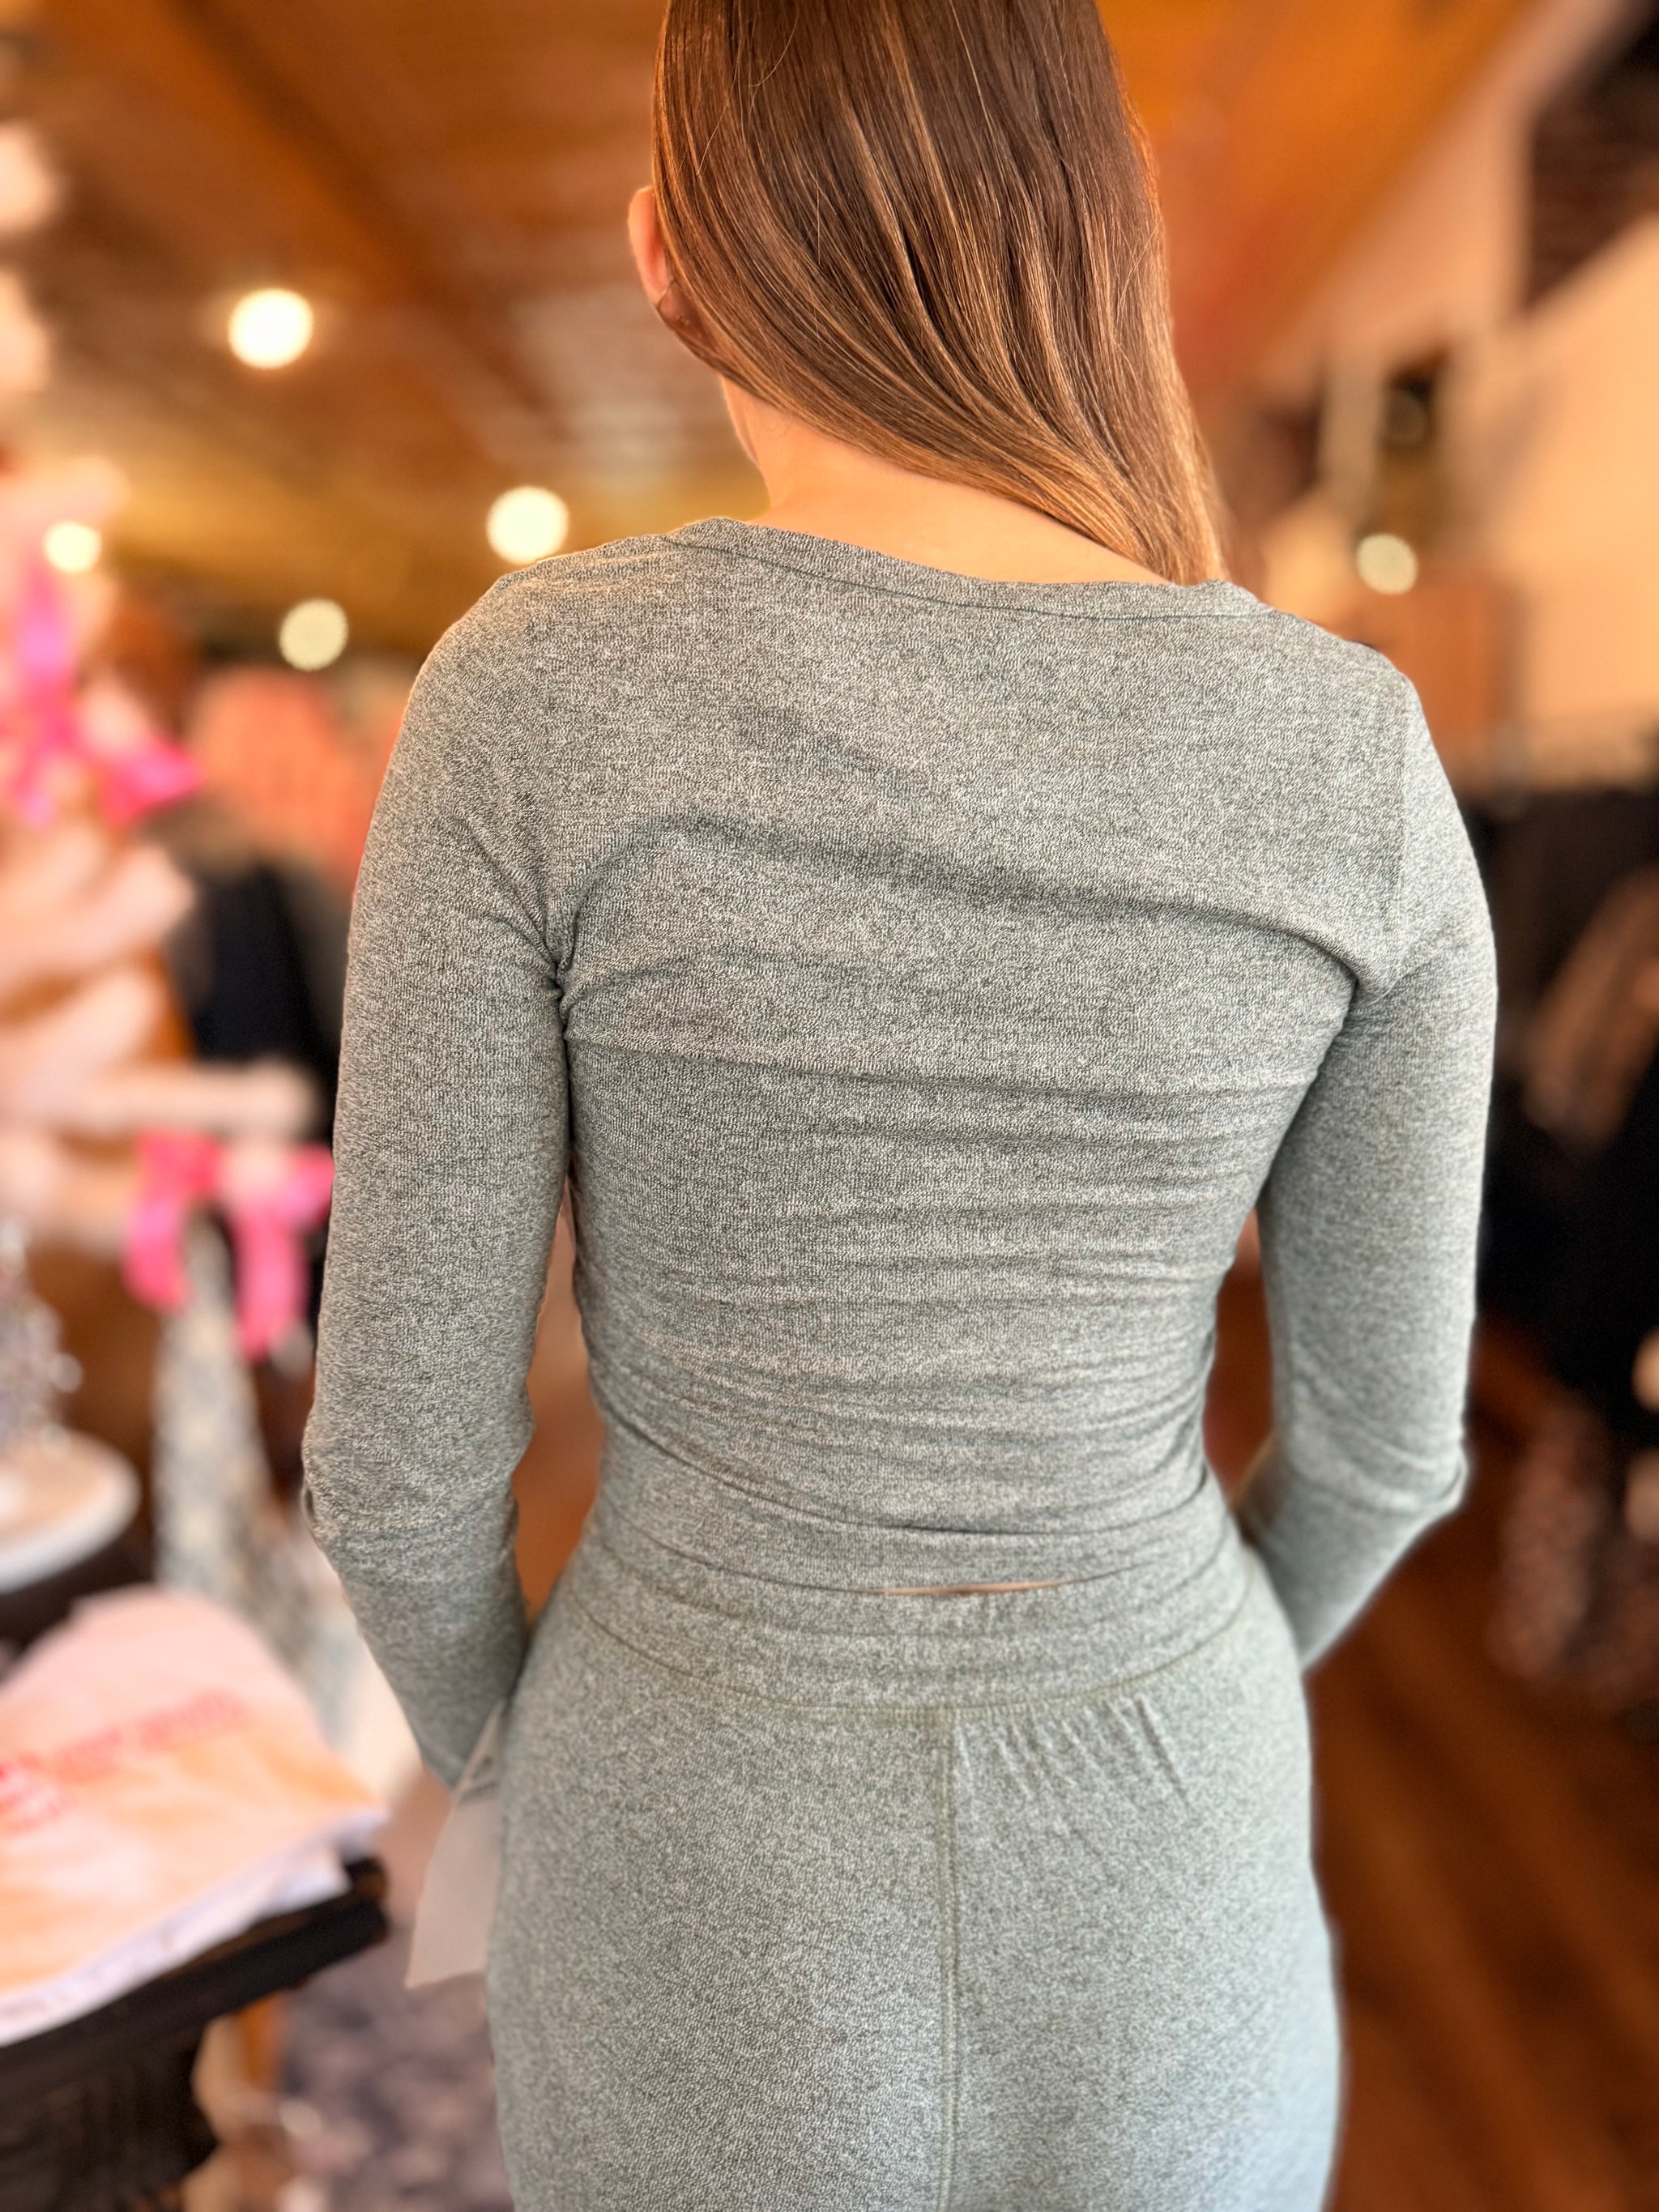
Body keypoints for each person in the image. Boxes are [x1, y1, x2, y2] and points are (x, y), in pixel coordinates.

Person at [301, 1, 1497, 2204]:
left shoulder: (539, 699)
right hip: (1174, 1821)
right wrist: (1163, 1663)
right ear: (1100, 233)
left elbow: (394, 1480)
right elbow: (1387, 1449)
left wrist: (552, 1770)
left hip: (687, 1805)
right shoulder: (1353, 758)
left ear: (667, 255)